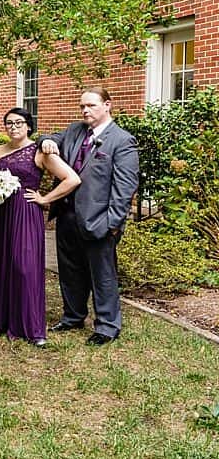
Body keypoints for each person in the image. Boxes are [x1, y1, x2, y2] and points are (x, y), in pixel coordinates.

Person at [0, 108, 77, 346]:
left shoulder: (39, 151)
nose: (13, 127)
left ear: (29, 126)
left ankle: (30, 327)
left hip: (25, 213)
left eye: (18, 123)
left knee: (24, 266)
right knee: (0, 262)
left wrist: (45, 199)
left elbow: (72, 179)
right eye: (9, 123)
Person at [52, 88, 141, 345]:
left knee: (102, 276)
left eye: (90, 105)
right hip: (67, 215)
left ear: (107, 105)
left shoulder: (122, 141)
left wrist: (112, 224)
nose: (85, 110)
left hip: (99, 221)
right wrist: (47, 140)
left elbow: (124, 188)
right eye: (82, 106)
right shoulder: (74, 131)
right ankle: (73, 316)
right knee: (70, 272)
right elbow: (50, 139)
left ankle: (107, 326)